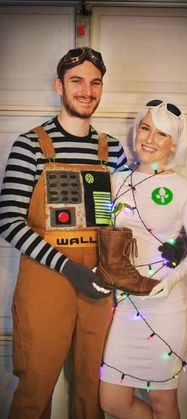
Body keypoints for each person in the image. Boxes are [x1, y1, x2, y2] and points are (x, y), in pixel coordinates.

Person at [0, 47, 130, 419]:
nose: (87, 90)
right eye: (77, 81)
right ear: (59, 85)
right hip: (46, 283)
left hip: (99, 287)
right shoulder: (30, 146)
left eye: (95, 82)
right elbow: (9, 221)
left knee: (94, 388)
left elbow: (125, 218)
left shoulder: (113, 151)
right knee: (35, 389)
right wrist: (69, 268)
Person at [99, 99, 187, 419]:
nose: (149, 139)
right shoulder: (115, 182)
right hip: (125, 310)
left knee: (163, 403)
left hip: (166, 310)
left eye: (161, 134)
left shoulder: (185, 189)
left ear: (174, 145)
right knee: (111, 401)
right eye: (145, 128)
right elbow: (101, 236)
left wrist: (171, 278)